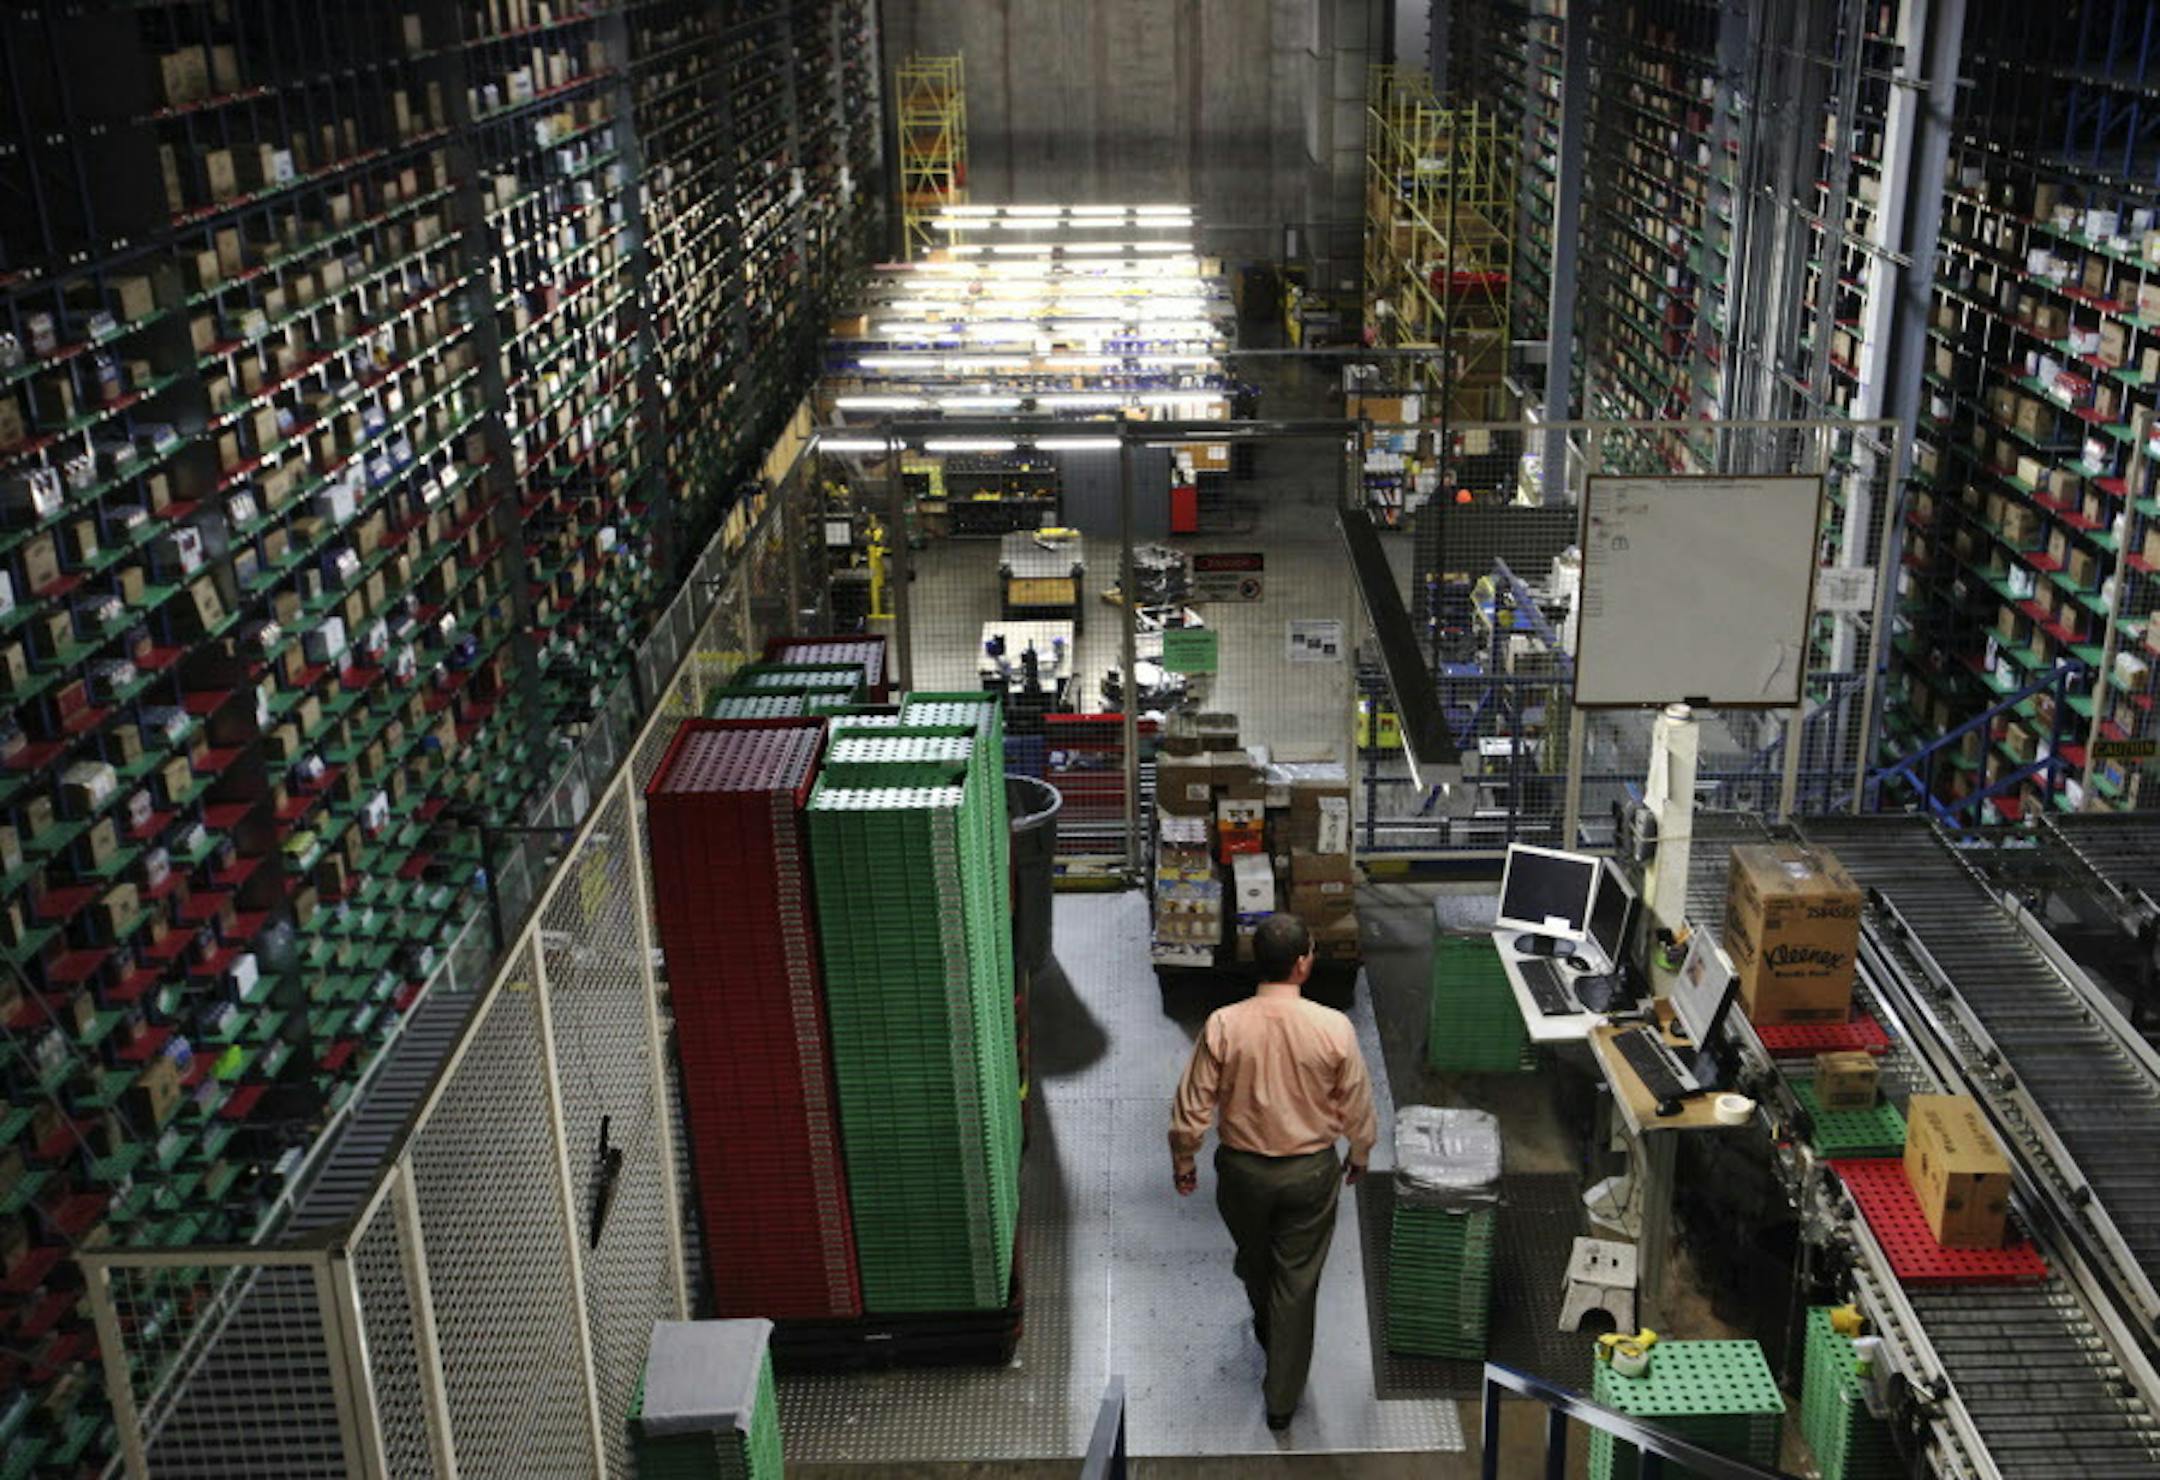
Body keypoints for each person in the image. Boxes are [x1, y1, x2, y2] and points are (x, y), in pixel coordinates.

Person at [1168, 914, 1379, 1430]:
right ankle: (1281, 1400)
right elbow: (1356, 1101)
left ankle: (1269, 1326)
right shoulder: (1333, 1027)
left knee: (1255, 1259)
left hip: (1242, 1173)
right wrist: (1360, 1152)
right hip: (1310, 1173)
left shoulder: (1224, 1024)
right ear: (1303, 963)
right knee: (1297, 1281)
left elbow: (1193, 1103)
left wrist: (1185, 1157)